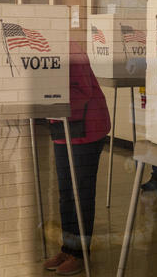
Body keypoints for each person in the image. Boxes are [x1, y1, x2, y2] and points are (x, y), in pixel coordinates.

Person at [43, 42, 111, 276]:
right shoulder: (43, 52)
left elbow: (82, 92)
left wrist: (43, 95)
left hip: (87, 128)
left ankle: (80, 253)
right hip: (62, 127)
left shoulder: (71, 51)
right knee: (65, 193)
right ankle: (68, 247)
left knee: (80, 194)